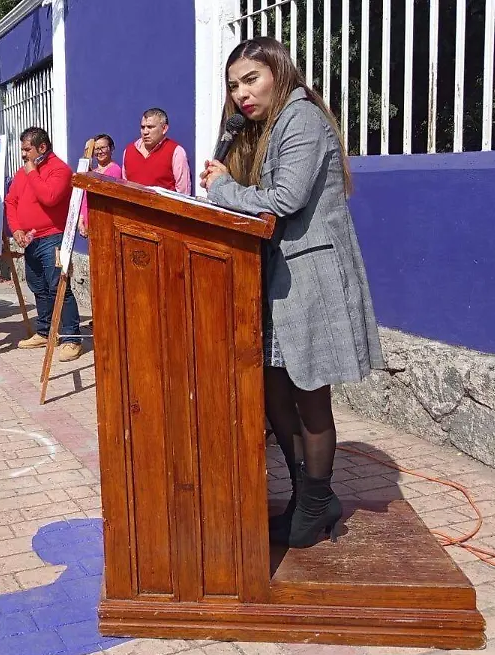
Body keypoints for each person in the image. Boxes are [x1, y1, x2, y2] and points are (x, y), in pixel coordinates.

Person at [200, 36, 384, 549]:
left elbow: (285, 198)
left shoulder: (301, 118)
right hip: (277, 280)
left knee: (309, 396)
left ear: (279, 73)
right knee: (275, 391)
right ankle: (307, 495)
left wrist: (222, 188)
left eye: (251, 79)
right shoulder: (266, 127)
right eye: (234, 85)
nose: (241, 93)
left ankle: (318, 500)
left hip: (310, 280)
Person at [5, 127, 83, 362]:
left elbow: (49, 197)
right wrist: (16, 229)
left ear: (42, 147)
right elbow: (11, 201)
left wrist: (32, 173)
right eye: (22, 149)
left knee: (58, 287)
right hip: (30, 239)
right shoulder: (23, 172)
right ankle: (45, 331)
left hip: (53, 237)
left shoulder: (60, 170)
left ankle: (71, 337)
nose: (23, 154)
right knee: (38, 286)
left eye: (27, 149)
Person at [122, 107, 192, 195]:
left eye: (150, 127)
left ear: (164, 128)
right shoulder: (129, 151)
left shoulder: (176, 152)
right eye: (143, 127)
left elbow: (183, 194)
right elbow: (124, 187)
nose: (145, 132)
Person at [80, 133, 123, 238]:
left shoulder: (115, 170)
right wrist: (81, 219)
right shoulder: (92, 172)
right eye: (97, 149)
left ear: (111, 148)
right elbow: (85, 198)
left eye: (103, 148)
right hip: (89, 221)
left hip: (104, 220)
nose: (100, 152)